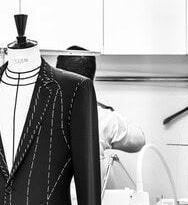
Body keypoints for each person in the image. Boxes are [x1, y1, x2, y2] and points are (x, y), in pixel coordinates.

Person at [56, 45, 146, 187]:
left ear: (56, 75)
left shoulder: (38, 112)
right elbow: (139, 140)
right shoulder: (102, 116)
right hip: (91, 199)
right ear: (91, 80)